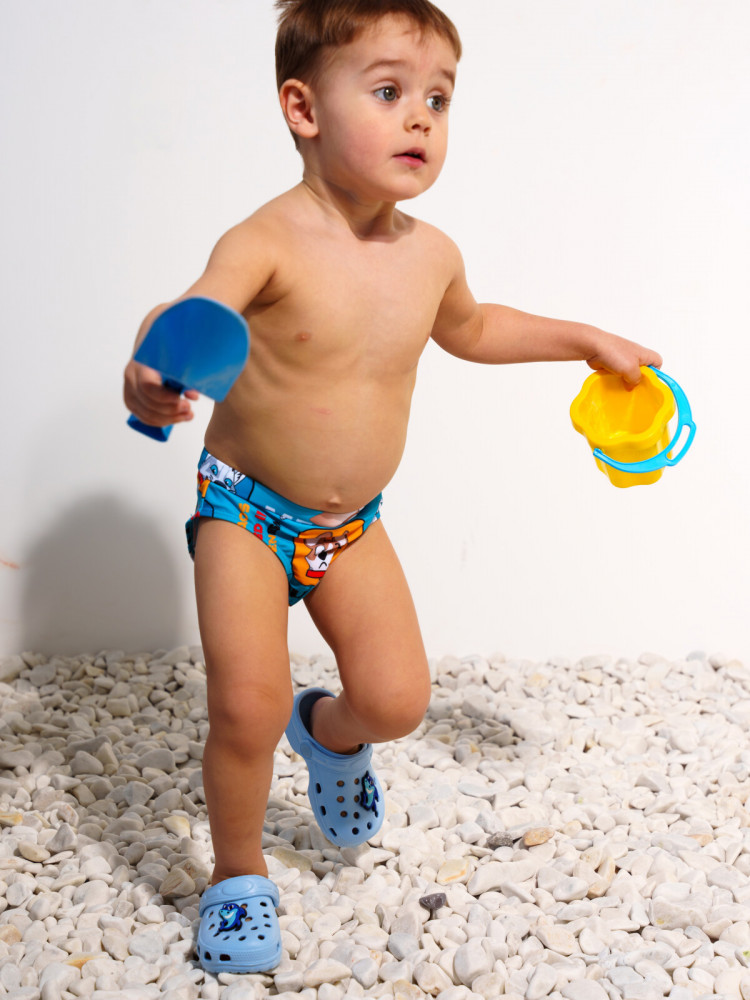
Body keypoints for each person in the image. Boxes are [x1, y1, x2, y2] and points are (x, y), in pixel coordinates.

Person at [123, 0, 662, 975]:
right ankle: (238, 876)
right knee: (245, 706)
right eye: (387, 92)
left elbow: (476, 329)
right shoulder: (267, 241)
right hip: (245, 509)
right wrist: (150, 370)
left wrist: (584, 340)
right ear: (303, 108)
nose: (420, 117)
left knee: (398, 699)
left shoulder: (431, 255)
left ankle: (329, 736)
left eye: (438, 99)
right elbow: (191, 311)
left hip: (350, 526)